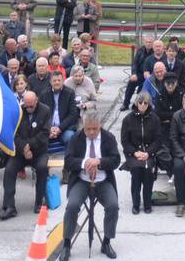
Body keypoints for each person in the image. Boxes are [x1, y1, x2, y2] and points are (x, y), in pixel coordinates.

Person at [61, 108, 121, 259]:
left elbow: (115, 160)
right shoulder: (76, 138)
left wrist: (99, 161)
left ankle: (106, 241)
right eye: (89, 129)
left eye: (95, 128)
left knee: (113, 205)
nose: (92, 132)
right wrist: (84, 163)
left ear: (99, 125)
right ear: (84, 126)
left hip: (102, 181)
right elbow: (68, 161)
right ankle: (66, 244)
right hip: (82, 180)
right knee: (72, 206)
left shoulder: (108, 137)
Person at [1, 89, 52, 220]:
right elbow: (14, 134)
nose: (28, 108)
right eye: (26, 105)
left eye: (31, 106)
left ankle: (39, 202)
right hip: (20, 152)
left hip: (39, 151)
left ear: (36, 101)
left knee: (42, 168)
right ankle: (10, 206)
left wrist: (30, 146)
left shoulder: (45, 111)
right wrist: (24, 147)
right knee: (9, 170)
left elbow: (45, 134)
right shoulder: (19, 111)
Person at [122, 90, 164, 216]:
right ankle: (135, 204)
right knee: (136, 171)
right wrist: (135, 153)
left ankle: (147, 203)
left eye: (146, 103)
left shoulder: (155, 119)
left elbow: (158, 140)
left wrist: (149, 153)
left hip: (148, 153)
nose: (143, 105)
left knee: (147, 172)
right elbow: (125, 141)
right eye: (140, 102)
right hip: (133, 153)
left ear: (149, 104)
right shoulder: (127, 119)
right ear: (136, 103)